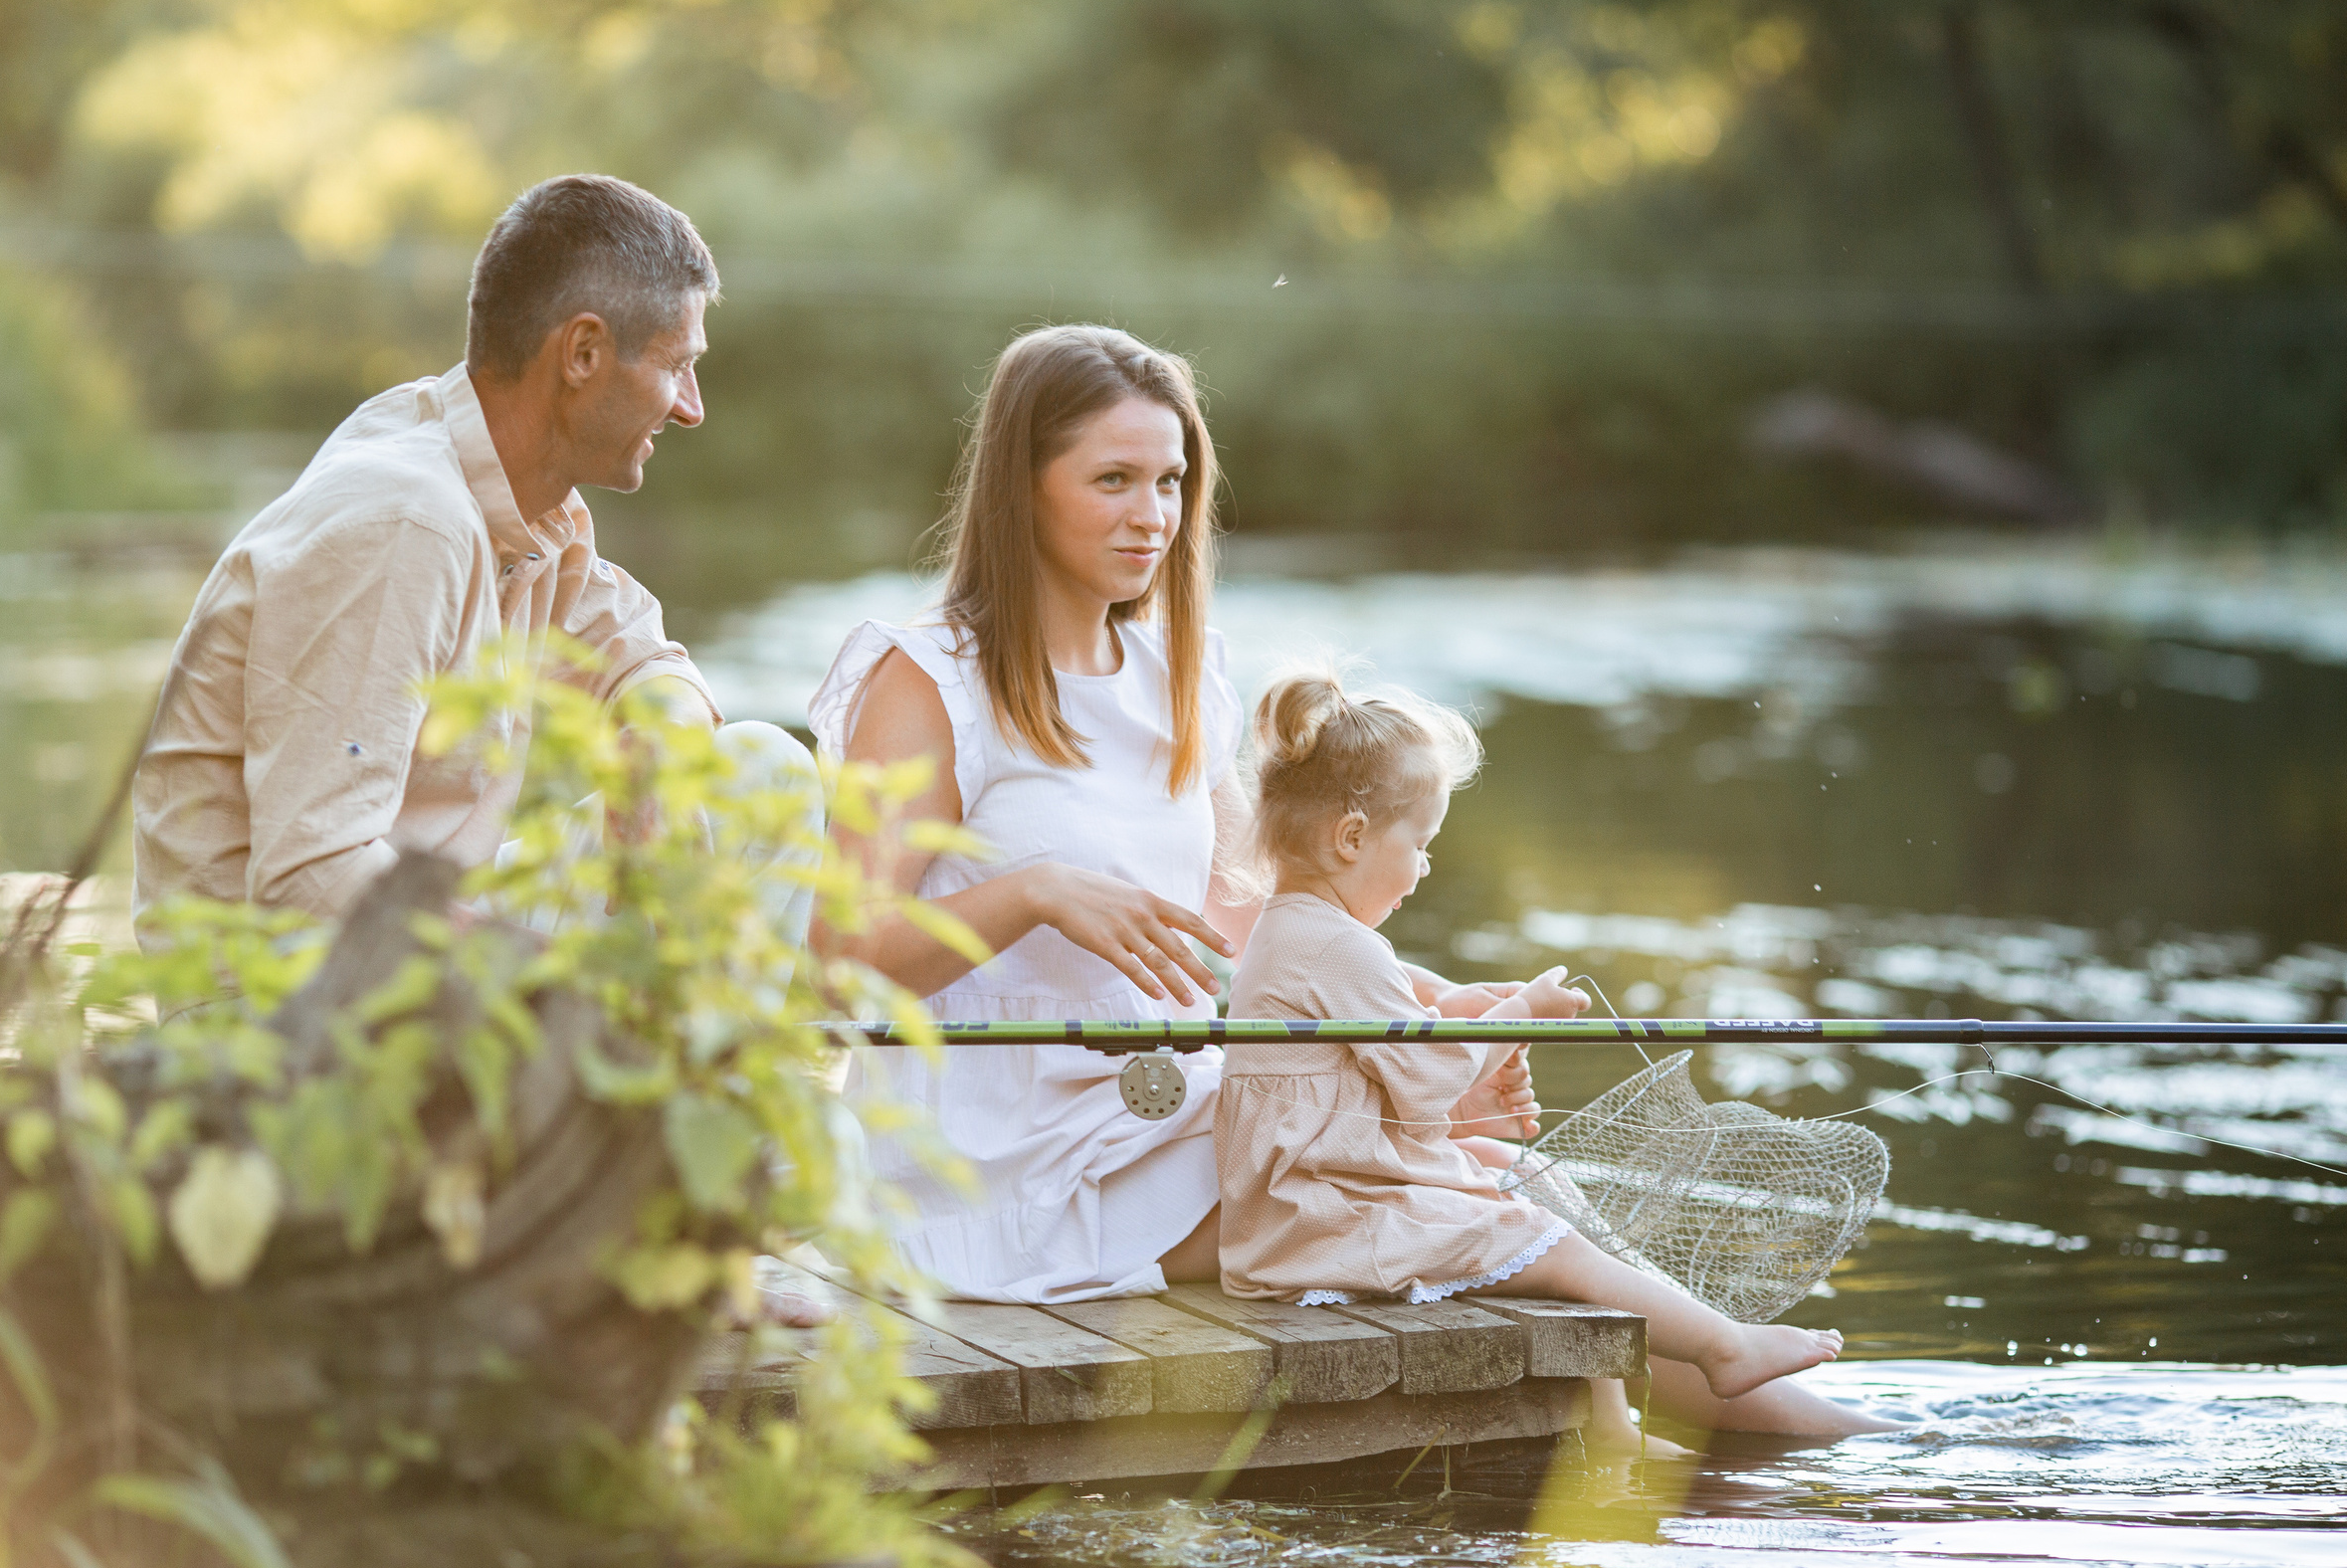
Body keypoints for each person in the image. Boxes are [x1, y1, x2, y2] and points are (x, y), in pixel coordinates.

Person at [131, 173, 827, 1321]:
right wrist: (532, 981)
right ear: (584, 354)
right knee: (761, 790)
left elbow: (632, 639)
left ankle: (659, 1210)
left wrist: (653, 735)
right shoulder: (403, 519)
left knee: (754, 771)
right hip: (275, 1046)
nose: (692, 404)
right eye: (679, 362)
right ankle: (642, 1216)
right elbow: (308, 874)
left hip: (408, 979)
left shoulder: (512, 495)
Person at [808, 325, 1537, 1304]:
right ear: (1022, 487)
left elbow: (1256, 924)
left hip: (1170, 1117)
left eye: (1170, 482)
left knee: (1499, 1176)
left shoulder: (1181, 680)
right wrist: (1033, 894)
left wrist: (1431, 1007)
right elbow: (837, 963)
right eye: (1113, 480)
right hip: (1000, 1169)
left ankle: (1707, 1421)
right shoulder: (930, 682)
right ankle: (1724, 1419)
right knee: (1443, 1197)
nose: (1151, 514)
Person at [1218, 668, 1893, 1442]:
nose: (1425, 869)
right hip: (1317, 1228)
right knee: (1546, 1243)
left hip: (1311, 1207)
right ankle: (1722, 1346)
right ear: (1351, 838)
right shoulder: (1337, 946)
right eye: (1422, 844)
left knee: (1521, 1186)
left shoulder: (1295, 928)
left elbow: (1392, 1037)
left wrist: (1468, 1004)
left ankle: (1616, 1417)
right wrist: (1518, 1012)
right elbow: (1429, 1082)